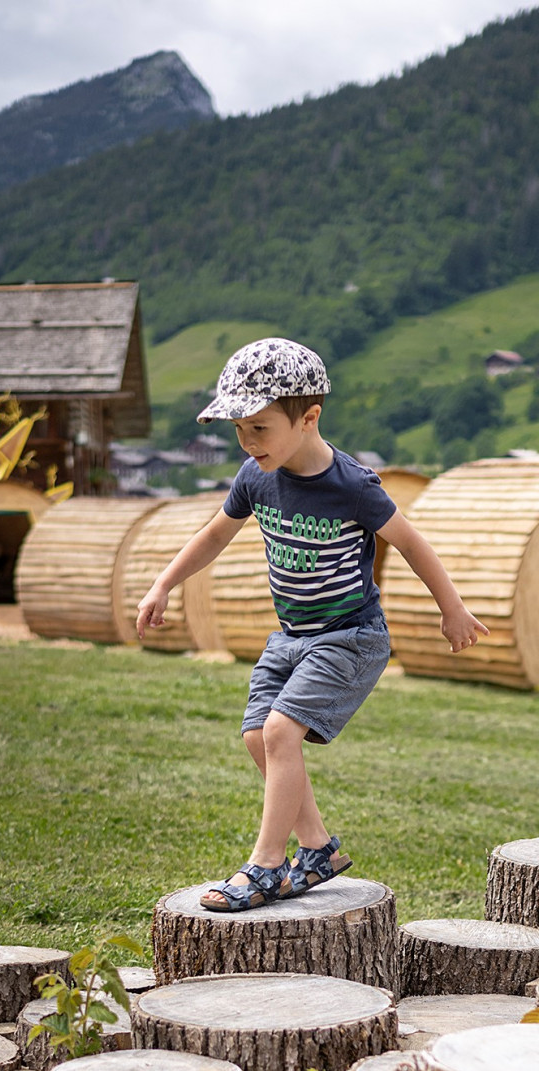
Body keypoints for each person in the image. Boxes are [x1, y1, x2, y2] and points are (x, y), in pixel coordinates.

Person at [136, 337, 488, 912]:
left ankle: (265, 867)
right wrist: (163, 583)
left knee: (280, 733)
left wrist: (451, 607)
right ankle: (317, 848)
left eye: (260, 427)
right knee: (258, 736)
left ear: (308, 418)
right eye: (240, 430)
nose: (248, 443)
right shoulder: (255, 476)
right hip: (291, 637)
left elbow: (411, 543)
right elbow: (214, 536)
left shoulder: (351, 486)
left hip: (350, 637)